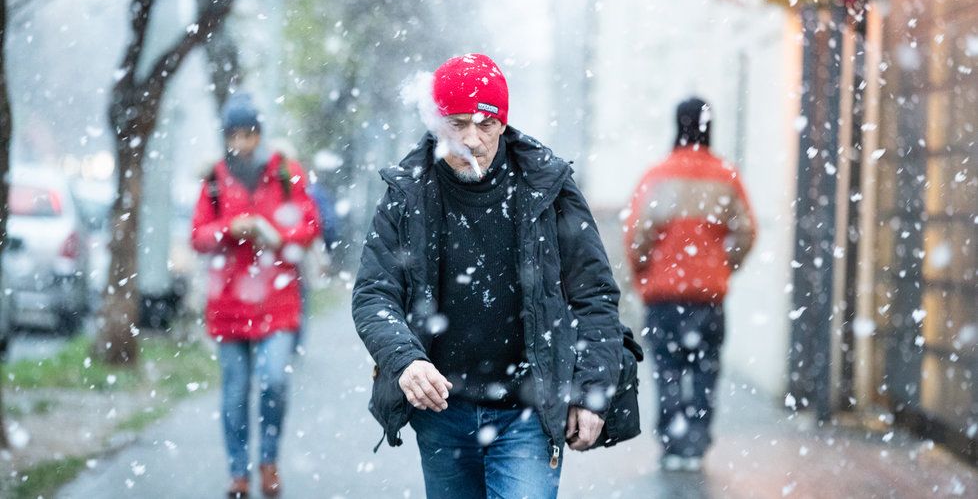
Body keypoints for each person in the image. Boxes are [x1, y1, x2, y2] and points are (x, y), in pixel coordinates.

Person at [352, 54, 623, 499]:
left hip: (527, 411)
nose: (472, 139)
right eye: (457, 124)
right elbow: (374, 293)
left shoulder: (547, 187)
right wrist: (405, 359)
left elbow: (593, 295)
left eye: (485, 123)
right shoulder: (408, 191)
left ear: (503, 123)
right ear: (437, 123)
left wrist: (591, 388)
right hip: (442, 411)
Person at [190, 94, 320, 498]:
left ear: (260, 134)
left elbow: (310, 224)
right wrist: (231, 229)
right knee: (234, 391)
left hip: (277, 301)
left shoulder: (285, 172)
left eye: (249, 134)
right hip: (228, 304)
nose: (242, 143)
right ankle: (238, 472)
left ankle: (268, 460)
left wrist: (275, 235)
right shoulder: (214, 177)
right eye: (234, 135)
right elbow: (199, 236)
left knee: (273, 381)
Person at [624, 97, 756, 472]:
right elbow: (746, 231)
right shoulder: (725, 177)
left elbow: (637, 237)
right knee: (705, 368)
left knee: (667, 367)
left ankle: (671, 441)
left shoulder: (658, 176)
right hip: (708, 297)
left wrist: (644, 275)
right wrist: (721, 267)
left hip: (664, 296)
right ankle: (696, 442)